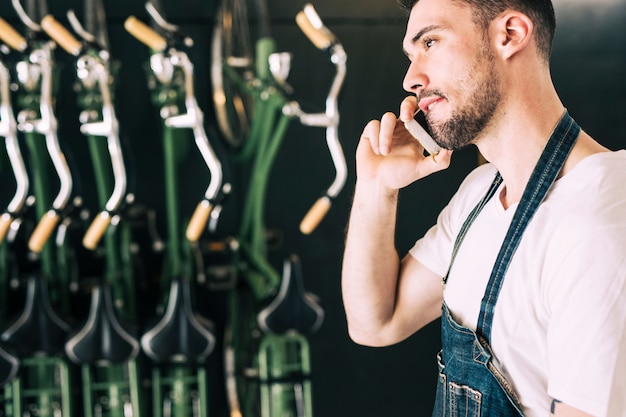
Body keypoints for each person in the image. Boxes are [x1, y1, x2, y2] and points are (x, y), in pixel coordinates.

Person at [340, 0, 626, 416]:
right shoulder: (481, 193)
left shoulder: (598, 219)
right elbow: (376, 322)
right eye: (411, 55)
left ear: (510, 34)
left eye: (431, 43)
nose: (410, 79)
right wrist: (376, 186)